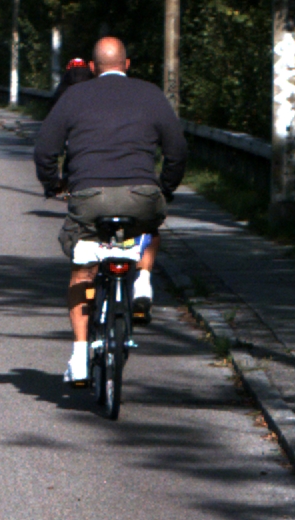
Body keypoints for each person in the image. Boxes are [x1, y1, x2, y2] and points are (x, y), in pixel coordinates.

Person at [33, 37, 187, 384]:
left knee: (82, 271)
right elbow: (177, 149)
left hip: (89, 197)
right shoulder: (150, 94)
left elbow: (45, 149)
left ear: (92, 67)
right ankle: (143, 282)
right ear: (126, 64)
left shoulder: (74, 96)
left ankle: (79, 358)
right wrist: (165, 187)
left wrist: (54, 185)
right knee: (149, 227)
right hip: (141, 196)